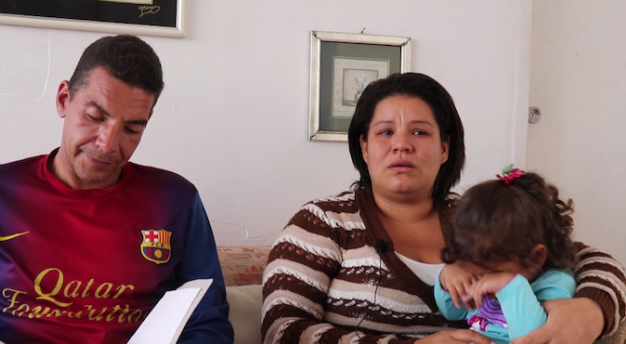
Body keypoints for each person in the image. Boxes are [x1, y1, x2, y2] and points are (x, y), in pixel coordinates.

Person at [261, 72, 626, 343]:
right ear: (365, 146)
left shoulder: (475, 216)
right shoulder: (323, 222)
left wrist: (592, 308)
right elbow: (283, 330)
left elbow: (583, 257)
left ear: (445, 148)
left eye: (420, 132)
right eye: (385, 132)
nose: (401, 144)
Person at [0, 35, 233, 343]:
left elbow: (208, 322)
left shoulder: (175, 200)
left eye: (132, 128)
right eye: (95, 117)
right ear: (63, 100)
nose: (107, 144)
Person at [435, 167, 578, 343]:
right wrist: (448, 278)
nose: (482, 281)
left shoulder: (555, 285)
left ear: (535, 257)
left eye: (494, 273)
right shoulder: (481, 271)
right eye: (475, 272)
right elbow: (453, 313)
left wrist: (509, 286)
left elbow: (534, 338)